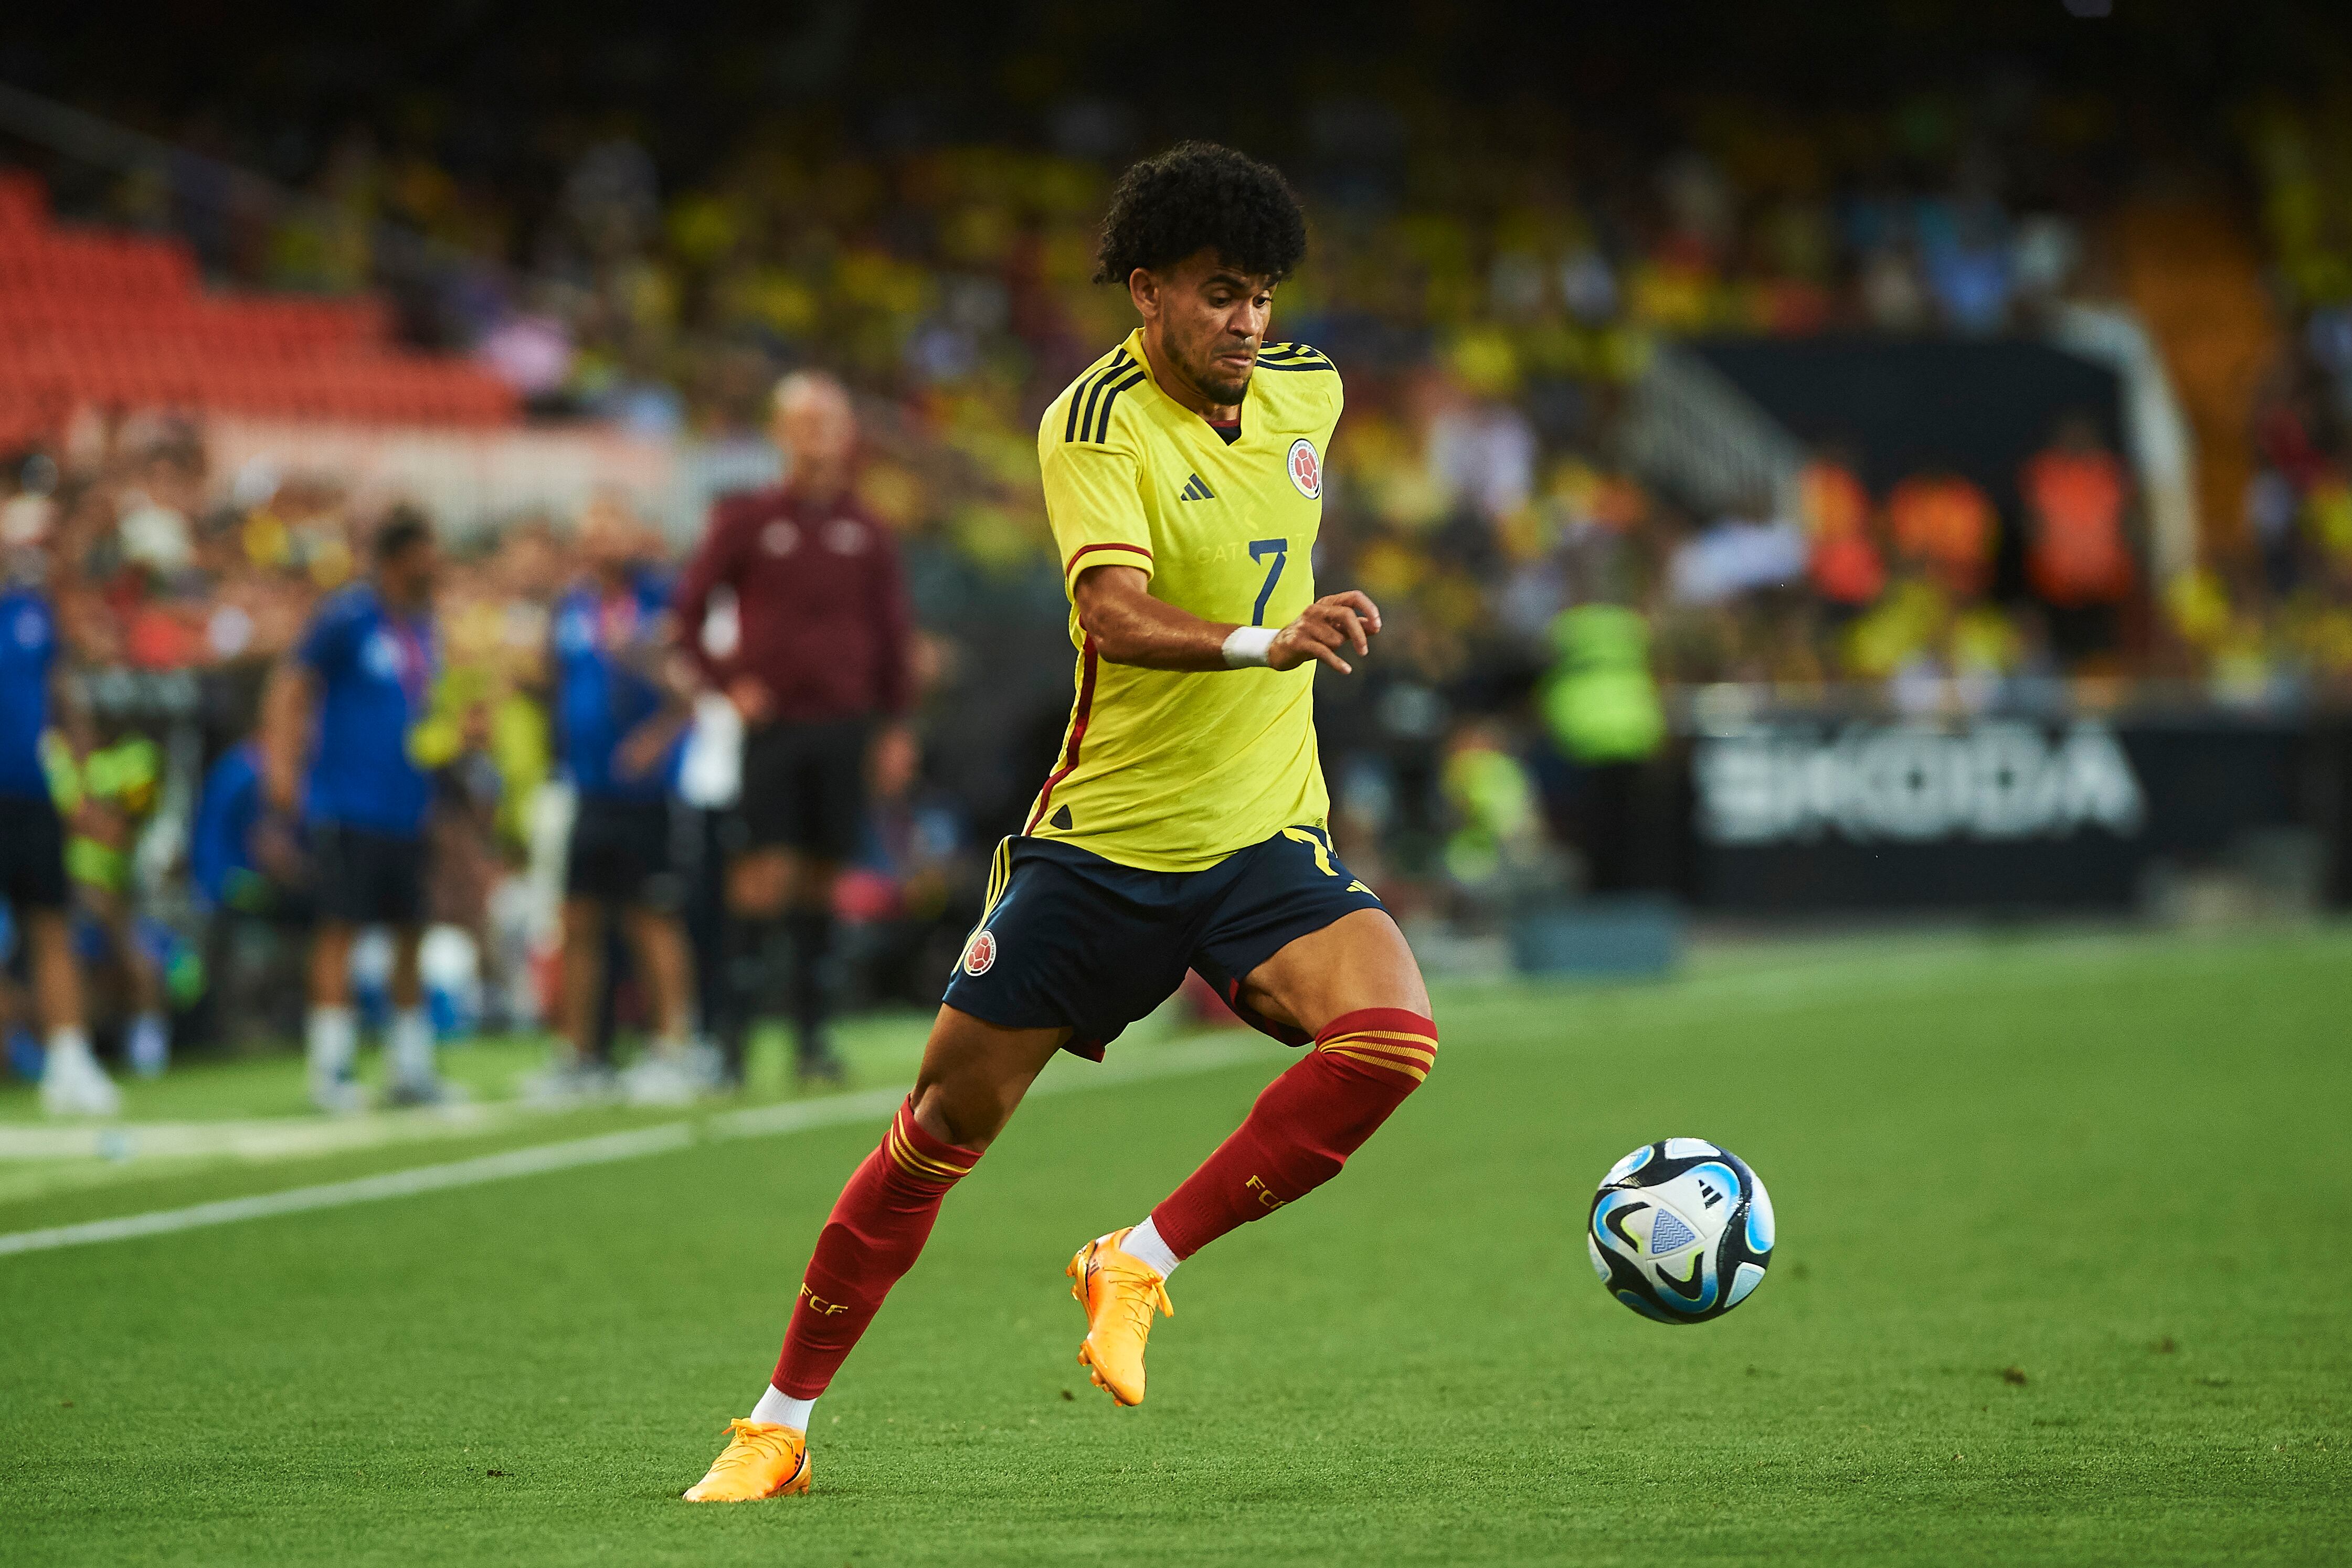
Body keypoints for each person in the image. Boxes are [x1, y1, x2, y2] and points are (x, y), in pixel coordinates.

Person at [683, 141, 1438, 1503]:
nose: (1247, 323)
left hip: (1266, 836)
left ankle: (1136, 1259)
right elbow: (1109, 614)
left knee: (1391, 1039)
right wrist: (1268, 641)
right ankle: (776, 1422)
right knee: (940, 1121)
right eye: (1219, 294)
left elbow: (1287, 438)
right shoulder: (1089, 424)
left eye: (1262, 294)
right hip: (1104, 846)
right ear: (1144, 291)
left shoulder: (1306, 393)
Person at [671, 372, 915, 1087]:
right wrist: (728, 685)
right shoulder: (748, 520)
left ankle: (812, 1038)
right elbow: (688, 616)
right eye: (804, 424)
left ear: (845, 436)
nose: (817, 438)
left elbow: (891, 635)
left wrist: (895, 726)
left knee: (821, 879)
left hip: (844, 726)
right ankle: (731, 1041)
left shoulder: (867, 530)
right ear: (780, 434)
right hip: (775, 726)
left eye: (828, 424)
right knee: (759, 876)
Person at [262, 507, 452, 1112]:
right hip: (349, 802)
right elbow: (292, 684)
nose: (437, 564)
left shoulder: (424, 626)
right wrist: (284, 767)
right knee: (339, 930)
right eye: (427, 551)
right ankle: (331, 1068)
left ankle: (411, 1067)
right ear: (399, 557)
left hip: (407, 806)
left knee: (409, 934)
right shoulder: (349, 617)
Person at [538, 495, 706, 1103]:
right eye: (590, 529)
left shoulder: (663, 599)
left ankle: (675, 1047)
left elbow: (689, 691)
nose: (599, 541)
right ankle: (578, 1054)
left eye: (610, 526)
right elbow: (556, 678)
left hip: (646, 791)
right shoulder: (572, 606)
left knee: (650, 918)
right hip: (586, 786)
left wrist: (654, 739)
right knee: (578, 918)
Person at [0, 558, 116, 1116]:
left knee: (53, 925)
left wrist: (86, 785)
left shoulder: (32, 611)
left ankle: (69, 1061)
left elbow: (63, 698)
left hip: (29, 793)